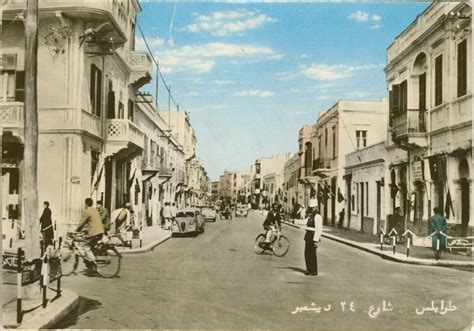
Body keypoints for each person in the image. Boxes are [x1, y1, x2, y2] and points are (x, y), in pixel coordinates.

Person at [76, 198, 105, 269]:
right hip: (100, 231)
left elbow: (81, 223)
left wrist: (76, 230)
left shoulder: (87, 211)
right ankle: (91, 264)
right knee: (90, 247)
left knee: (86, 246)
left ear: (86, 204)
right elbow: (92, 222)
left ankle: (94, 263)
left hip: (95, 233)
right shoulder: (95, 210)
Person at [304, 199, 323, 276]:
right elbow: (304, 222)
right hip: (308, 236)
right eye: (311, 208)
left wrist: (316, 240)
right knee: (306, 253)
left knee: (312, 254)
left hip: (313, 236)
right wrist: (295, 221)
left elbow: (318, 229)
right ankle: (308, 269)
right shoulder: (310, 216)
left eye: (313, 208)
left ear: (316, 208)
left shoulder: (318, 217)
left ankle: (314, 271)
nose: (311, 209)